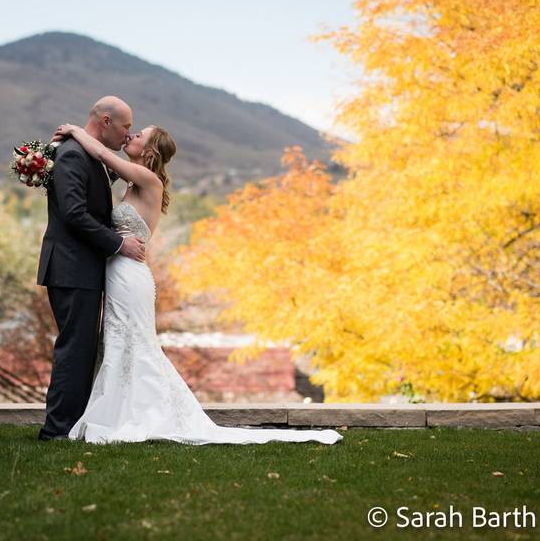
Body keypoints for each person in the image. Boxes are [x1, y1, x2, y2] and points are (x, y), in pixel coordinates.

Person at [51, 121, 343, 445]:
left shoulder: (147, 179)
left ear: (148, 151)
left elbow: (104, 155)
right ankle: (118, 411)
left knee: (134, 344)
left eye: (138, 135)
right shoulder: (133, 183)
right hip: (119, 272)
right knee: (118, 344)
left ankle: (140, 415)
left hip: (130, 276)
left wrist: (76, 132)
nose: (131, 136)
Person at [36, 96, 146, 441]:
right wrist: (118, 243)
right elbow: (74, 213)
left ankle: (72, 423)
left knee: (82, 348)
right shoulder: (71, 154)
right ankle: (56, 429)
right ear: (106, 122)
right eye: (127, 126)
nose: (129, 134)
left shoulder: (85, 154)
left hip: (82, 267)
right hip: (71, 266)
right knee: (75, 347)